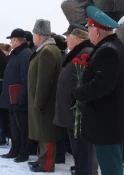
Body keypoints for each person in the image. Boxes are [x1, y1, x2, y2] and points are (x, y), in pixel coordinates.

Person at [73, 6, 124, 175]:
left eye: (89, 29)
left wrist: (78, 92)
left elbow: (102, 85)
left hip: (106, 121)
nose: (88, 33)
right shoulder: (113, 46)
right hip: (110, 119)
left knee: (110, 165)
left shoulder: (108, 50)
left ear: (98, 31)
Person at [53, 23, 99, 175]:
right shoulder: (77, 52)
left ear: (77, 38)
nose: (66, 40)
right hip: (72, 110)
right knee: (78, 150)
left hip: (78, 112)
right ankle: (81, 170)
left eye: (68, 36)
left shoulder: (86, 52)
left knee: (83, 149)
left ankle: (85, 171)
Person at [27, 19, 64, 172]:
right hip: (41, 101)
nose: (34, 37)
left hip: (44, 102)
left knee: (47, 134)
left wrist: (39, 103)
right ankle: (41, 159)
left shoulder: (48, 51)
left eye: (35, 34)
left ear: (41, 35)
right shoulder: (45, 49)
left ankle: (47, 164)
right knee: (42, 133)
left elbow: (44, 81)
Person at [0, 28, 33, 162]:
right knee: (14, 126)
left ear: (16, 40)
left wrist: (21, 97)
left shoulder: (25, 54)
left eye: (12, 40)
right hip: (11, 97)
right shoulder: (16, 54)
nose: (11, 43)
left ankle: (24, 152)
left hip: (19, 98)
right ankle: (15, 149)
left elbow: (25, 78)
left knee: (22, 127)